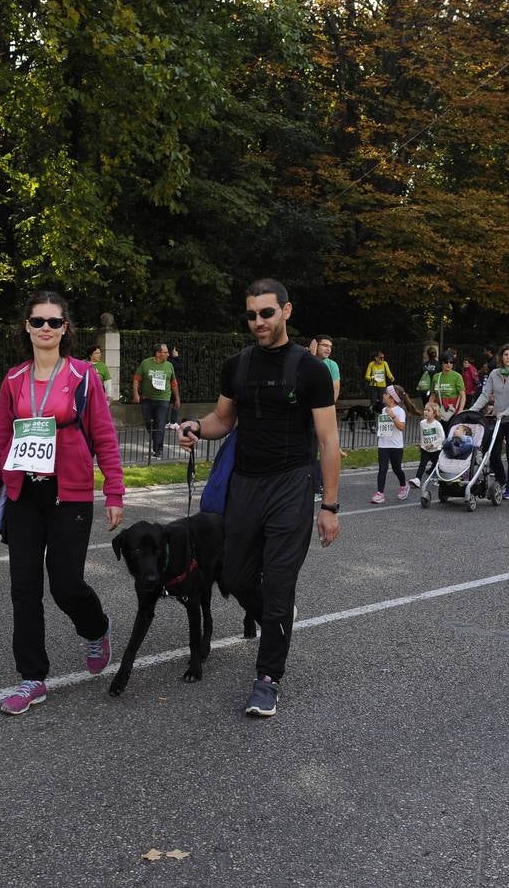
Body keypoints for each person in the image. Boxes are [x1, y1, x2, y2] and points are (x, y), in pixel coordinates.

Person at [177, 278, 340, 718]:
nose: (258, 322)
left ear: (286, 311)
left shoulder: (311, 369)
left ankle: (268, 677)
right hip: (245, 485)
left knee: (280, 581)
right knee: (234, 575)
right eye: (251, 314)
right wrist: (195, 427)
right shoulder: (237, 365)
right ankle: (277, 614)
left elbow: (327, 441)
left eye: (266, 313)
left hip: (291, 485)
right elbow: (222, 420)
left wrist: (329, 507)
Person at [0, 292, 125, 716]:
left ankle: (96, 628)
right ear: (26, 326)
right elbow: (1, 440)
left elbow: (104, 437)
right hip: (24, 495)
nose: (45, 328)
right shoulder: (14, 379)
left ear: (65, 329)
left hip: (69, 495)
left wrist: (114, 491)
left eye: (54, 322)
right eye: (38, 321)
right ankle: (32, 678)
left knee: (65, 584)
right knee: (24, 589)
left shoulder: (83, 375)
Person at [470, 343, 509, 499]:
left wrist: (506, 412)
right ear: (501, 357)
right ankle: (501, 478)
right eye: (505, 355)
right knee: (491, 451)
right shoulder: (494, 373)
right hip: (498, 419)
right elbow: (485, 395)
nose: (508, 358)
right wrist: (472, 410)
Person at [132, 343, 180, 458]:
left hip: (163, 399)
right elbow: (136, 379)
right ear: (158, 354)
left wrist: (177, 399)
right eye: (166, 352)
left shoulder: (169, 365)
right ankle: (156, 441)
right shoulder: (145, 363)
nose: (168, 354)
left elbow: (173, 383)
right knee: (149, 424)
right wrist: (136, 394)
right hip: (147, 399)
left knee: (160, 423)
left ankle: (158, 450)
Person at [372, 385, 419, 503]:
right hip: (383, 444)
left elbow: (402, 427)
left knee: (396, 468)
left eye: (386, 393)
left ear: (392, 398)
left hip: (396, 446)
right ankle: (380, 493)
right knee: (382, 468)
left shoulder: (400, 411)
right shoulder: (383, 410)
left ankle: (404, 485)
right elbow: (384, 426)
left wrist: (392, 416)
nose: (383, 395)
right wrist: (380, 432)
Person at [311, 335, 342, 501]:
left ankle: (321, 486)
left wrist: (328, 408)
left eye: (330, 346)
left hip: (324, 411)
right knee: (310, 449)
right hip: (307, 412)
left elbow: (335, 389)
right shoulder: (306, 360)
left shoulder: (332, 365)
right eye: (325, 345)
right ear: (315, 345)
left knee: (326, 448)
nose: (328, 349)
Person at [410, 401, 445, 488]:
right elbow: (422, 434)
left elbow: (442, 437)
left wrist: (433, 444)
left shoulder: (437, 424)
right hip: (425, 449)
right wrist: (421, 444)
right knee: (422, 464)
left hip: (436, 449)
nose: (425, 412)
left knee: (437, 464)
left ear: (434, 413)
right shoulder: (422, 423)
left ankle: (439, 479)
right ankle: (417, 479)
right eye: (425, 410)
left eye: (428, 410)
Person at [430, 351, 465, 420]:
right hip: (439, 411)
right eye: (446, 362)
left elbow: (462, 395)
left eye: (451, 362)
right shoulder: (436, 377)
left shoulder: (457, 376)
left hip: (453, 411)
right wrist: (429, 408)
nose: (449, 364)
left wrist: (461, 409)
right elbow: (433, 395)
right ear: (441, 363)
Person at [364, 351, 395, 416]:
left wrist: (391, 377)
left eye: (383, 358)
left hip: (382, 386)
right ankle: (372, 417)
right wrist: (372, 378)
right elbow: (367, 376)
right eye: (381, 358)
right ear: (376, 358)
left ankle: (382, 417)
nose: (382, 359)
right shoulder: (371, 364)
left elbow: (388, 372)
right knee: (373, 402)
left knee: (382, 402)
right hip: (373, 386)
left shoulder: (384, 363)